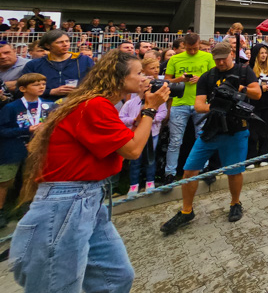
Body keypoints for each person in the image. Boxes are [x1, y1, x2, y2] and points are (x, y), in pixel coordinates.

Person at [9, 50, 170, 292]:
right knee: (58, 285)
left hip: (88, 197)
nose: (145, 77)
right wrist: (150, 109)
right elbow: (133, 149)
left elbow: (127, 139)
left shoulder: (98, 103)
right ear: (118, 78)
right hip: (67, 200)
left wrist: (144, 112)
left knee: (115, 277)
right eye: (138, 73)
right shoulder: (94, 106)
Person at [160, 42, 261, 234]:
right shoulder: (208, 76)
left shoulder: (244, 72)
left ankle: (235, 203)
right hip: (211, 130)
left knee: (234, 171)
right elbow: (199, 105)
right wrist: (220, 105)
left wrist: (240, 89)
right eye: (217, 59)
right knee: (189, 170)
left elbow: (257, 93)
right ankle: (186, 210)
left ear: (232, 54)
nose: (221, 62)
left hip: (236, 129)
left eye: (224, 57)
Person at [0, 73, 56, 229]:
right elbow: (2, 130)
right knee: (5, 181)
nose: (41, 87)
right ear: (23, 88)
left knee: (32, 179)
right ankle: (1, 212)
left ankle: (28, 208)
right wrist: (25, 130)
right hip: (13, 149)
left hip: (38, 149)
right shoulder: (12, 107)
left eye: (43, 84)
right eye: (36, 84)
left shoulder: (49, 105)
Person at [163, 33, 215, 184]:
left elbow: (213, 78)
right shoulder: (175, 59)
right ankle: (170, 173)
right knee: (175, 141)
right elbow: (166, 80)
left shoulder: (207, 57)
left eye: (195, 48)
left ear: (199, 45)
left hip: (200, 102)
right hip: (180, 104)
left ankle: (204, 168)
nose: (192, 51)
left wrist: (201, 79)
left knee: (202, 138)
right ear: (184, 45)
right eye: (189, 49)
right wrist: (180, 79)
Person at [118, 58, 168, 194]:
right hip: (135, 134)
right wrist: (134, 121)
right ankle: (134, 184)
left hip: (153, 133)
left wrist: (151, 119)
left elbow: (163, 113)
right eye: (144, 87)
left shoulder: (158, 101)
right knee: (135, 160)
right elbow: (122, 118)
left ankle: (150, 181)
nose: (147, 89)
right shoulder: (130, 103)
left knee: (150, 158)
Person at [21, 30, 95, 102]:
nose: (65, 44)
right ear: (47, 45)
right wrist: (51, 92)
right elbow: (23, 89)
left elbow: (96, 83)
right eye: (59, 42)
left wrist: (80, 91)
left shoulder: (84, 61)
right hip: (45, 105)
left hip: (77, 103)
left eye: (67, 41)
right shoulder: (34, 65)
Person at [248, 43, 268, 167]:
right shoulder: (249, 69)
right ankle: (251, 157)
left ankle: (264, 155)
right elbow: (247, 87)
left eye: (266, 53)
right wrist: (261, 88)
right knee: (253, 133)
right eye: (261, 53)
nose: (264, 55)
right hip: (254, 106)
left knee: (266, 131)